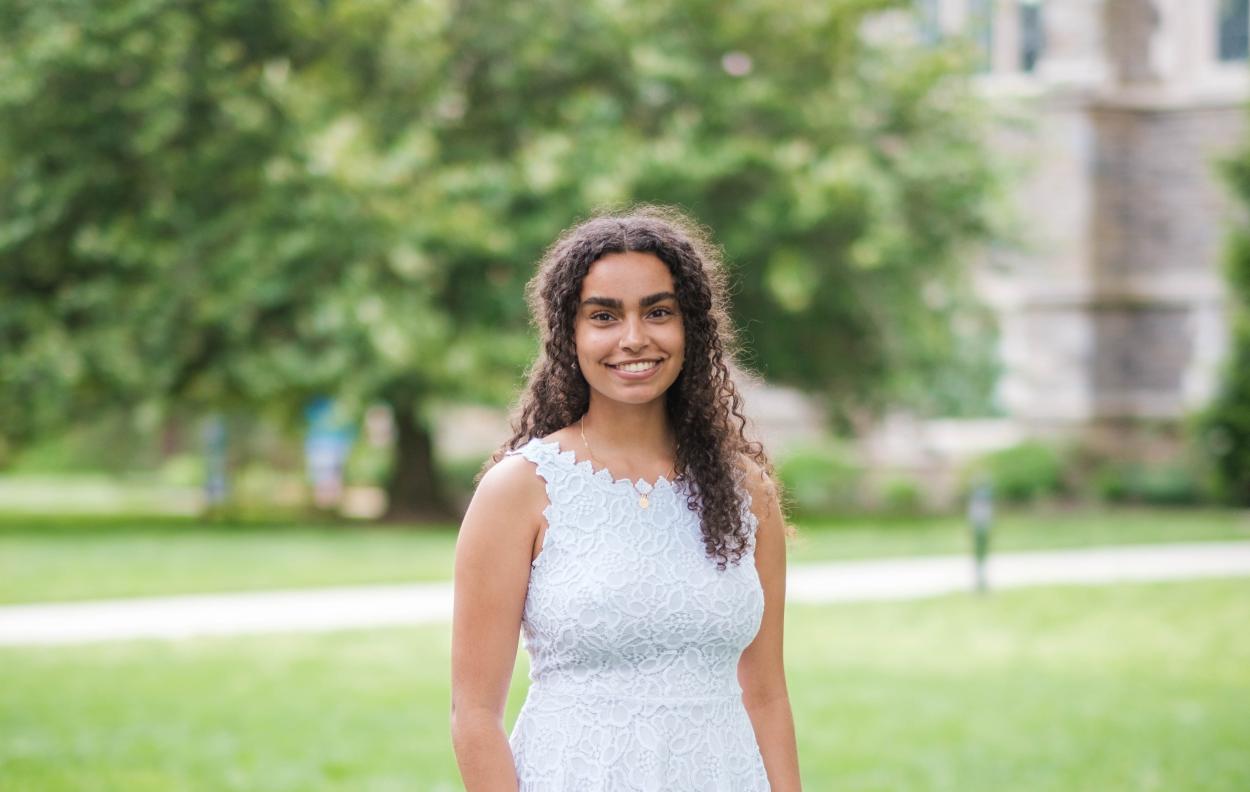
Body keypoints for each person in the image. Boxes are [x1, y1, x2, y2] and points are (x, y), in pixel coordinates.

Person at [450, 206, 802, 791]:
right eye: (604, 316)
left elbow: (766, 693)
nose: (634, 338)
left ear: (692, 326)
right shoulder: (520, 488)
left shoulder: (747, 491)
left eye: (658, 312)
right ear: (569, 333)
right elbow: (474, 715)